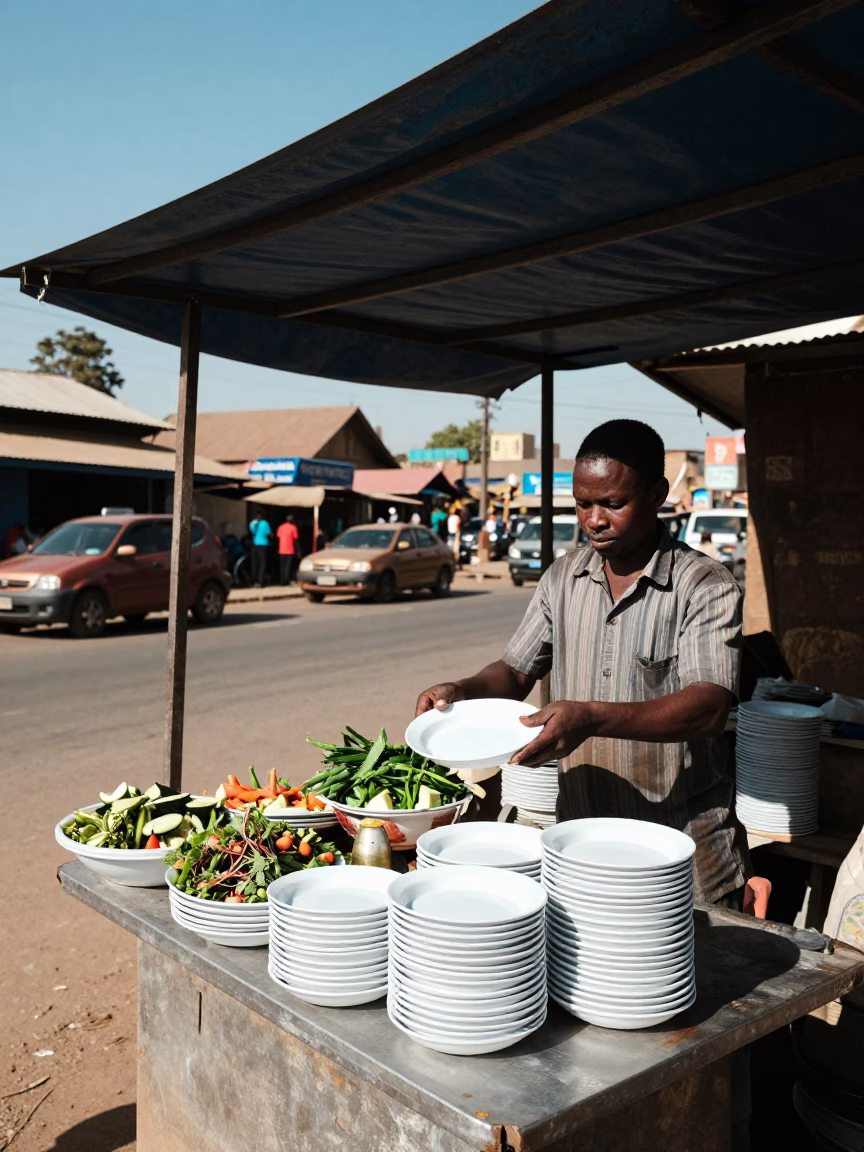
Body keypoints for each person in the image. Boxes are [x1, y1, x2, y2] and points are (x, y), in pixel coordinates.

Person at [416, 419, 750, 908]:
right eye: (582, 503)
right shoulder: (564, 577)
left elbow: (708, 708)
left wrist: (592, 718)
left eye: (613, 504)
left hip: (681, 854)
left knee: (680, 982)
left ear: (657, 494)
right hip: (580, 849)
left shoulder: (705, 585)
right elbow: (514, 672)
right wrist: (461, 691)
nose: (594, 519)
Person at [248, 514, 272, 587]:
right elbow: (268, 533)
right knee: (262, 564)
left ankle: (254, 581)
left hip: (255, 544)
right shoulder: (265, 523)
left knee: (255, 563)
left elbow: (251, 532)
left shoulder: (252, 523)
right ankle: (260, 581)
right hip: (263, 544)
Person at [276, 513, 300, 585]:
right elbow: (296, 540)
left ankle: (282, 580)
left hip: (281, 549)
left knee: (282, 566)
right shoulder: (293, 527)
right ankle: (286, 580)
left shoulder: (281, 527)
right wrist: (298, 550)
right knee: (288, 566)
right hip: (290, 550)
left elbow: (278, 538)